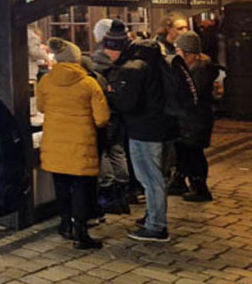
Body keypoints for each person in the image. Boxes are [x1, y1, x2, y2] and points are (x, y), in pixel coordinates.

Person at [102, 20, 176, 242]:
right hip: (159, 125)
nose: (106, 54)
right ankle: (152, 217)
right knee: (155, 176)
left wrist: (111, 92)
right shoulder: (150, 59)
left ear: (116, 48)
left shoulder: (133, 67)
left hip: (145, 128)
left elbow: (127, 103)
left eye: (108, 49)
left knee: (150, 178)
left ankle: (156, 226)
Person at [37, 38, 111, 249]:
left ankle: (64, 224)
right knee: (80, 188)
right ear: (77, 59)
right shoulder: (89, 83)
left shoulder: (46, 81)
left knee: (61, 185)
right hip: (81, 144)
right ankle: (81, 231)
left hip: (54, 143)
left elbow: (41, 107)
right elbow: (102, 118)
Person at [90, 19, 131, 215]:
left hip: (104, 115)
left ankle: (109, 193)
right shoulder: (123, 64)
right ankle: (122, 192)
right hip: (119, 114)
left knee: (104, 153)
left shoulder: (97, 65)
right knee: (117, 150)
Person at [174, 31, 218, 202]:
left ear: (188, 52)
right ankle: (186, 183)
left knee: (194, 153)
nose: (176, 53)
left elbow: (192, 94)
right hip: (191, 119)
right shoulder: (193, 68)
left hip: (196, 120)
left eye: (179, 50)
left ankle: (200, 188)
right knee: (186, 152)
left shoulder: (199, 70)